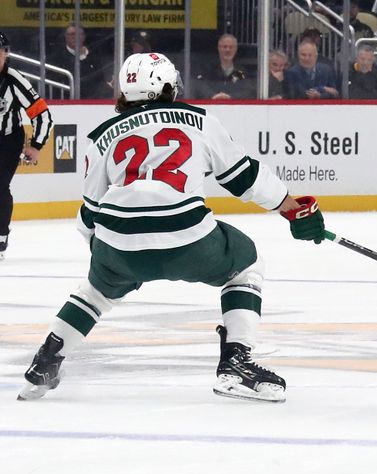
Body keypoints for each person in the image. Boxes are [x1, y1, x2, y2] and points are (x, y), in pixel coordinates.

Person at [17, 52, 326, 402]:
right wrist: (289, 206)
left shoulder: (101, 136)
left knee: (95, 292)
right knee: (246, 265)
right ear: (166, 85)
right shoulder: (199, 120)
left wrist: (110, 259)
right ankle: (236, 363)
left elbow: (89, 214)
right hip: (186, 233)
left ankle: (44, 364)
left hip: (116, 236)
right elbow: (244, 177)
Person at [0, 32, 54, 260]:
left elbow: (42, 114)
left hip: (6, 142)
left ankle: (0, 236)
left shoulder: (14, 80)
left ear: (6, 54)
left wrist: (37, 145)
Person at [194, 33, 255, 100]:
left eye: (231, 47)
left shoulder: (241, 73)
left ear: (236, 49)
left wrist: (230, 97)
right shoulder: (209, 71)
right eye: (225, 47)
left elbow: (249, 92)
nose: (228, 50)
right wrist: (213, 96)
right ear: (219, 48)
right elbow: (200, 88)